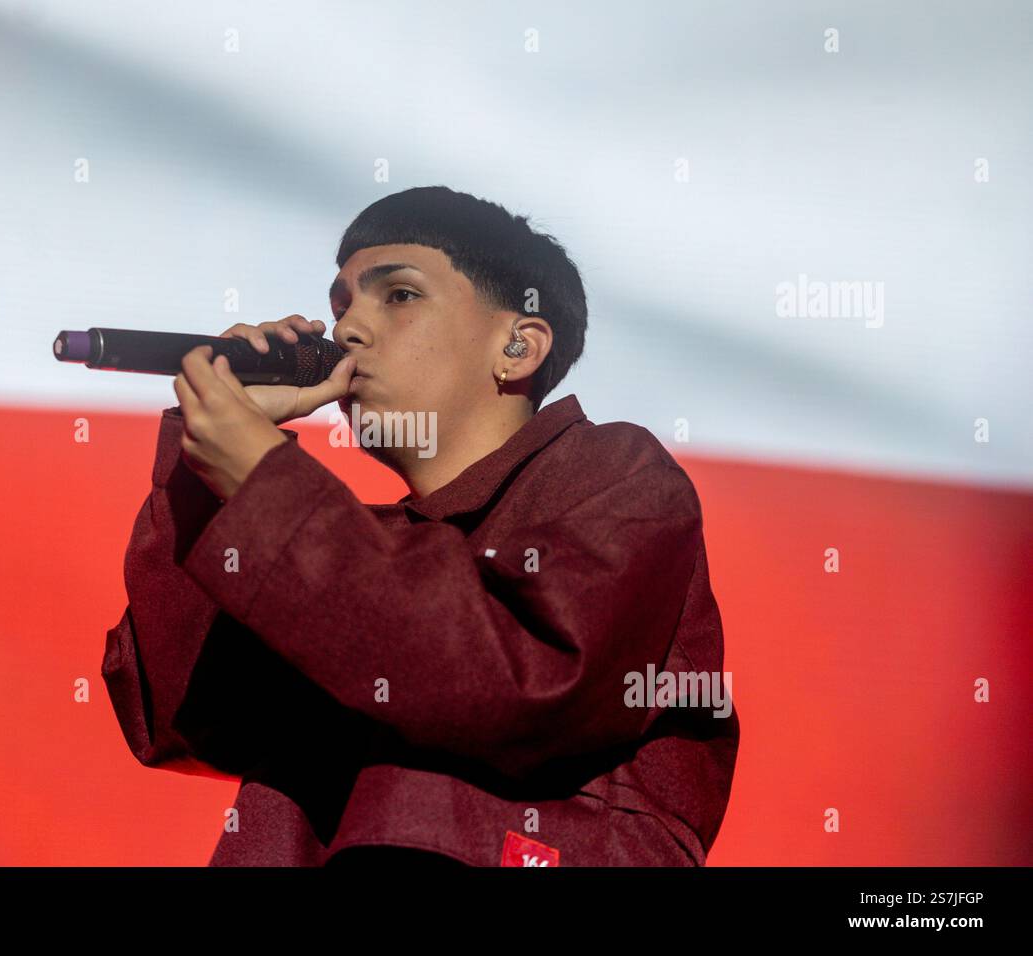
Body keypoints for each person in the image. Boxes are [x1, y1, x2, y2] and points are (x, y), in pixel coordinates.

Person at [101, 185, 739, 866]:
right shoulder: (343, 548)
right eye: (339, 306)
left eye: (398, 296)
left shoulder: (616, 472)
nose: (347, 330)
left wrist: (263, 486)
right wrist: (209, 480)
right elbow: (185, 718)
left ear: (518, 346)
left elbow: (528, 683)